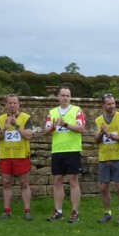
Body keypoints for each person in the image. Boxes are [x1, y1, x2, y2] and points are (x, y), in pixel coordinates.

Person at [44, 84, 86, 223]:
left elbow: (81, 128)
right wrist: (53, 127)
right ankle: (58, 211)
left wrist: (66, 124)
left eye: (68, 95)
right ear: (58, 97)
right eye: (63, 95)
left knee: (73, 181)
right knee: (57, 181)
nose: (65, 98)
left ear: (70, 97)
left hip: (72, 150)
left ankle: (75, 212)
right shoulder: (52, 112)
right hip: (57, 150)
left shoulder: (76, 110)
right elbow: (45, 132)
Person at [0, 93, 34, 220]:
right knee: (6, 183)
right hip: (6, 155)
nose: (12, 105)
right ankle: (7, 211)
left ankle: (27, 210)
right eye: (9, 103)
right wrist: (5, 129)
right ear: (6, 105)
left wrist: (16, 125)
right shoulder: (0, 119)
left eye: (14, 103)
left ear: (19, 104)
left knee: (24, 183)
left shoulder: (26, 118)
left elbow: (28, 135)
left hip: (21, 155)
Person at [94, 93, 119, 224]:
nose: (112, 106)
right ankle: (107, 212)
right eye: (109, 104)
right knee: (103, 187)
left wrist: (110, 135)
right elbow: (96, 140)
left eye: (113, 103)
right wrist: (101, 133)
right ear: (103, 105)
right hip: (104, 158)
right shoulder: (98, 120)